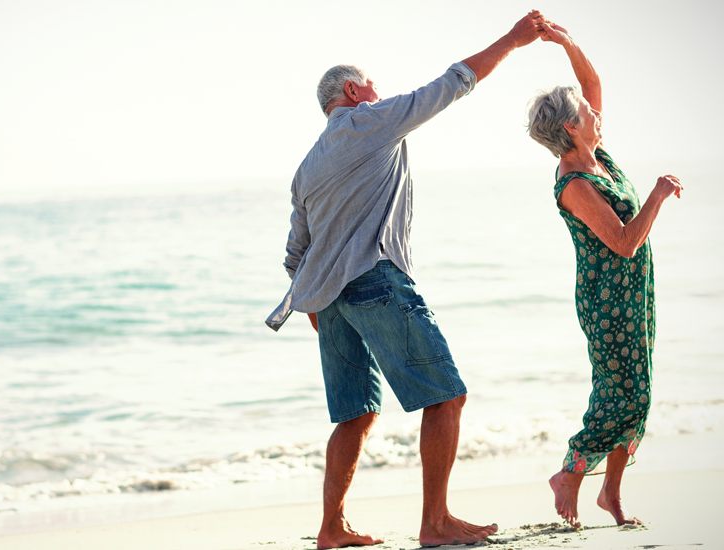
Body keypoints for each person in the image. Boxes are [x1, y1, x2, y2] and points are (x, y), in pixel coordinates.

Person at [265, 11, 546, 549]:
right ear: (353, 90)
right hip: (375, 280)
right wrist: (513, 39)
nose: (379, 91)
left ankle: (331, 528)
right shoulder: (370, 120)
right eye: (371, 84)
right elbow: (450, 85)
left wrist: (320, 308)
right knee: (446, 397)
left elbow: (294, 252)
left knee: (356, 414)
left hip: (328, 301)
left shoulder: (306, 165)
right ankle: (435, 522)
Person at [527, 22, 683, 529]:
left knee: (638, 392)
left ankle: (611, 494)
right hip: (607, 299)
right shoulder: (573, 181)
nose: (596, 113)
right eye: (587, 113)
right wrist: (657, 196)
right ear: (571, 128)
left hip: (635, 292)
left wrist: (567, 44)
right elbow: (622, 242)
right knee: (626, 394)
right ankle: (570, 472)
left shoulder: (597, 156)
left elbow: (591, 89)